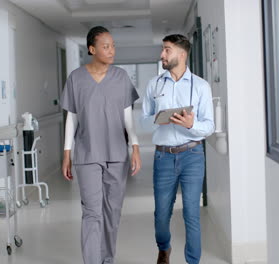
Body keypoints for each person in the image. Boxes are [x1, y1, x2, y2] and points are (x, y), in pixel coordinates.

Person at [60, 26, 141, 264]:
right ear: (92, 49)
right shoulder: (76, 78)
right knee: (92, 213)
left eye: (113, 45)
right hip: (87, 154)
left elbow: (128, 118)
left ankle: (107, 259)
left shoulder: (121, 77)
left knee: (112, 212)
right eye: (106, 46)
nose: (111, 50)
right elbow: (71, 118)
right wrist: (67, 153)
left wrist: (135, 146)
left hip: (117, 154)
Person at [142, 34, 214, 264]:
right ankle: (164, 248)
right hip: (163, 156)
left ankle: (193, 261)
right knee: (161, 214)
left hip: (193, 155)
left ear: (181, 55)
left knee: (191, 213)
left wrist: (191, 124)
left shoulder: (201, 86)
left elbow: (209, 126)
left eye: (167, 50)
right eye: (163, 50)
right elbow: (142, 120)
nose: (162, 54)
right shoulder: (154, 85)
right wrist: (159, 118)